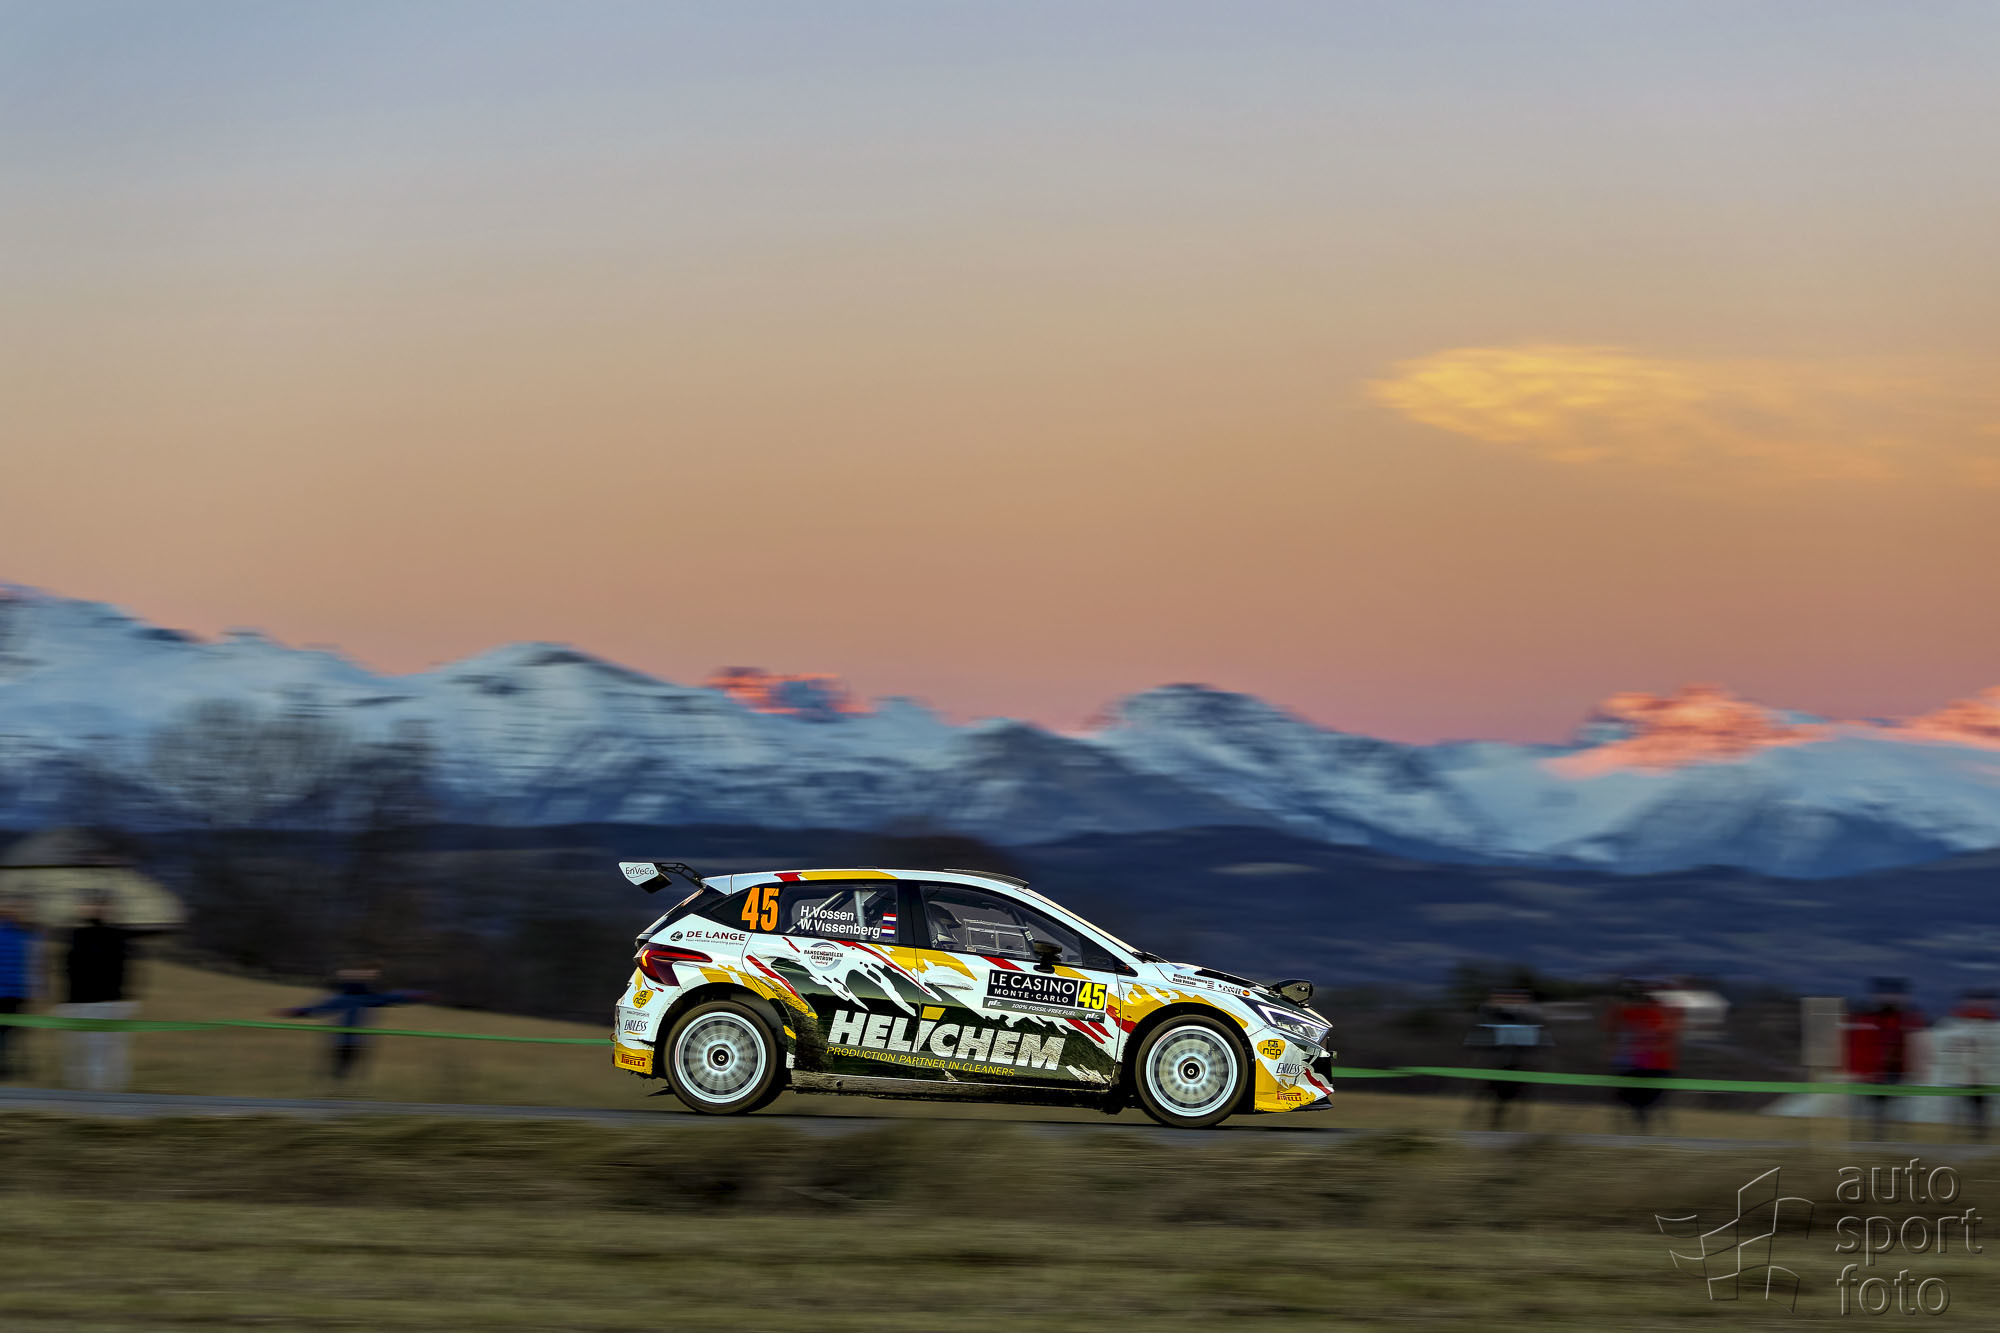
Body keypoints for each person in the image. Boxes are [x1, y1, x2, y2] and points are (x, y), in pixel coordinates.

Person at [57, 891, 157, 1092]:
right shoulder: (75, 935)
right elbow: (67, 969)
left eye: (101, 905)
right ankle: (77, 1092)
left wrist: (129, 999)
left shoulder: (117, 935)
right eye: (90, 904)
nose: (96, 909)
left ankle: (105, 1093)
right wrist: (64, 1002)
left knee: (108, 1050)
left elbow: (128, 968)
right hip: (77, 1002)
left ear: (109, 909)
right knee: (76, 1051)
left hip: (110, 1001)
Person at [277, 966, 430, 1082]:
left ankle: (336, 1084)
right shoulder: (367, 998)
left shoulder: (342, 999)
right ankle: (339, 1085)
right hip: (353, 1041)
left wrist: (293, 1012)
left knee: (340, 1070)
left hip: (343, 1041)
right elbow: (396, 996)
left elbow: (315, 1009)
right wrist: (419, 996)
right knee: (345, 1069)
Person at [1844, 977, 1926, 1141]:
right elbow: (1855, 1044)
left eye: (1894, 994)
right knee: (1866, 1114)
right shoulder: (1864, 1017)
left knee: (1893, 1116)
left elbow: (1915, 1046)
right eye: (1886, 994)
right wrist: (1856, 1069)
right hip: (1868, 1074)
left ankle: (1889, 1143)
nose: (1889, 998)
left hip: (1894, 1074)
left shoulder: (1906, 1019)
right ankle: (1866, 1142)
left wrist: (1915, 1068)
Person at [1465, 987, 1549, 1130]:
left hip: (1512, 1067)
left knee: (1505, 1098)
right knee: (1492, 1096)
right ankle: (1489, 1122)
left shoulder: (1524, 1018)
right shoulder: (1502, 1017)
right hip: (1500, 1067)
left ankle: (1502, 1123)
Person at [1604, 978, 1682, 1132]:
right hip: (1642, 1064)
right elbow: (1612, 1029)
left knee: (1640, 1097)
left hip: (1648, 1065)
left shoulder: (1656, 1011)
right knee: (1639, 1097)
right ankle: (1642, 1118)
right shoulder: (1630, 1011)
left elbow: (1665, 1037)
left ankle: (1642, 1118)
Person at [1934, 990, 1999, 1141]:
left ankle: (1975, 1136)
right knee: (1964, 1110)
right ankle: (1963, 1136)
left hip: (1981, 1079)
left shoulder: (1991, 1026)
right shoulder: (1958, 1025)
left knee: (1978, 1111)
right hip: (1964, 1077)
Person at [0, 892, 38, 1081]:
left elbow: (32, 965)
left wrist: (33, 989)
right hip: (6, 991)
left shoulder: (26, 934)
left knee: (15, 1031)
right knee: (6, 1032)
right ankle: (7, 1066)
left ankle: (15, 1065)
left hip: (17, 993)